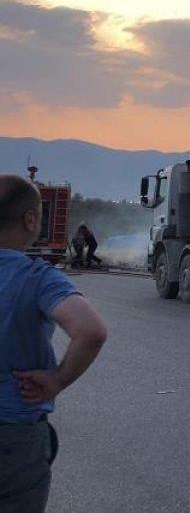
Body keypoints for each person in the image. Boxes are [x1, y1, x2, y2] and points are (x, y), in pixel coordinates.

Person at [0, 174, 107, 511]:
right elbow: (90, 331)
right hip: (12, 437)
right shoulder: (37, 277)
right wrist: (57, 380)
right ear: (30, 220)